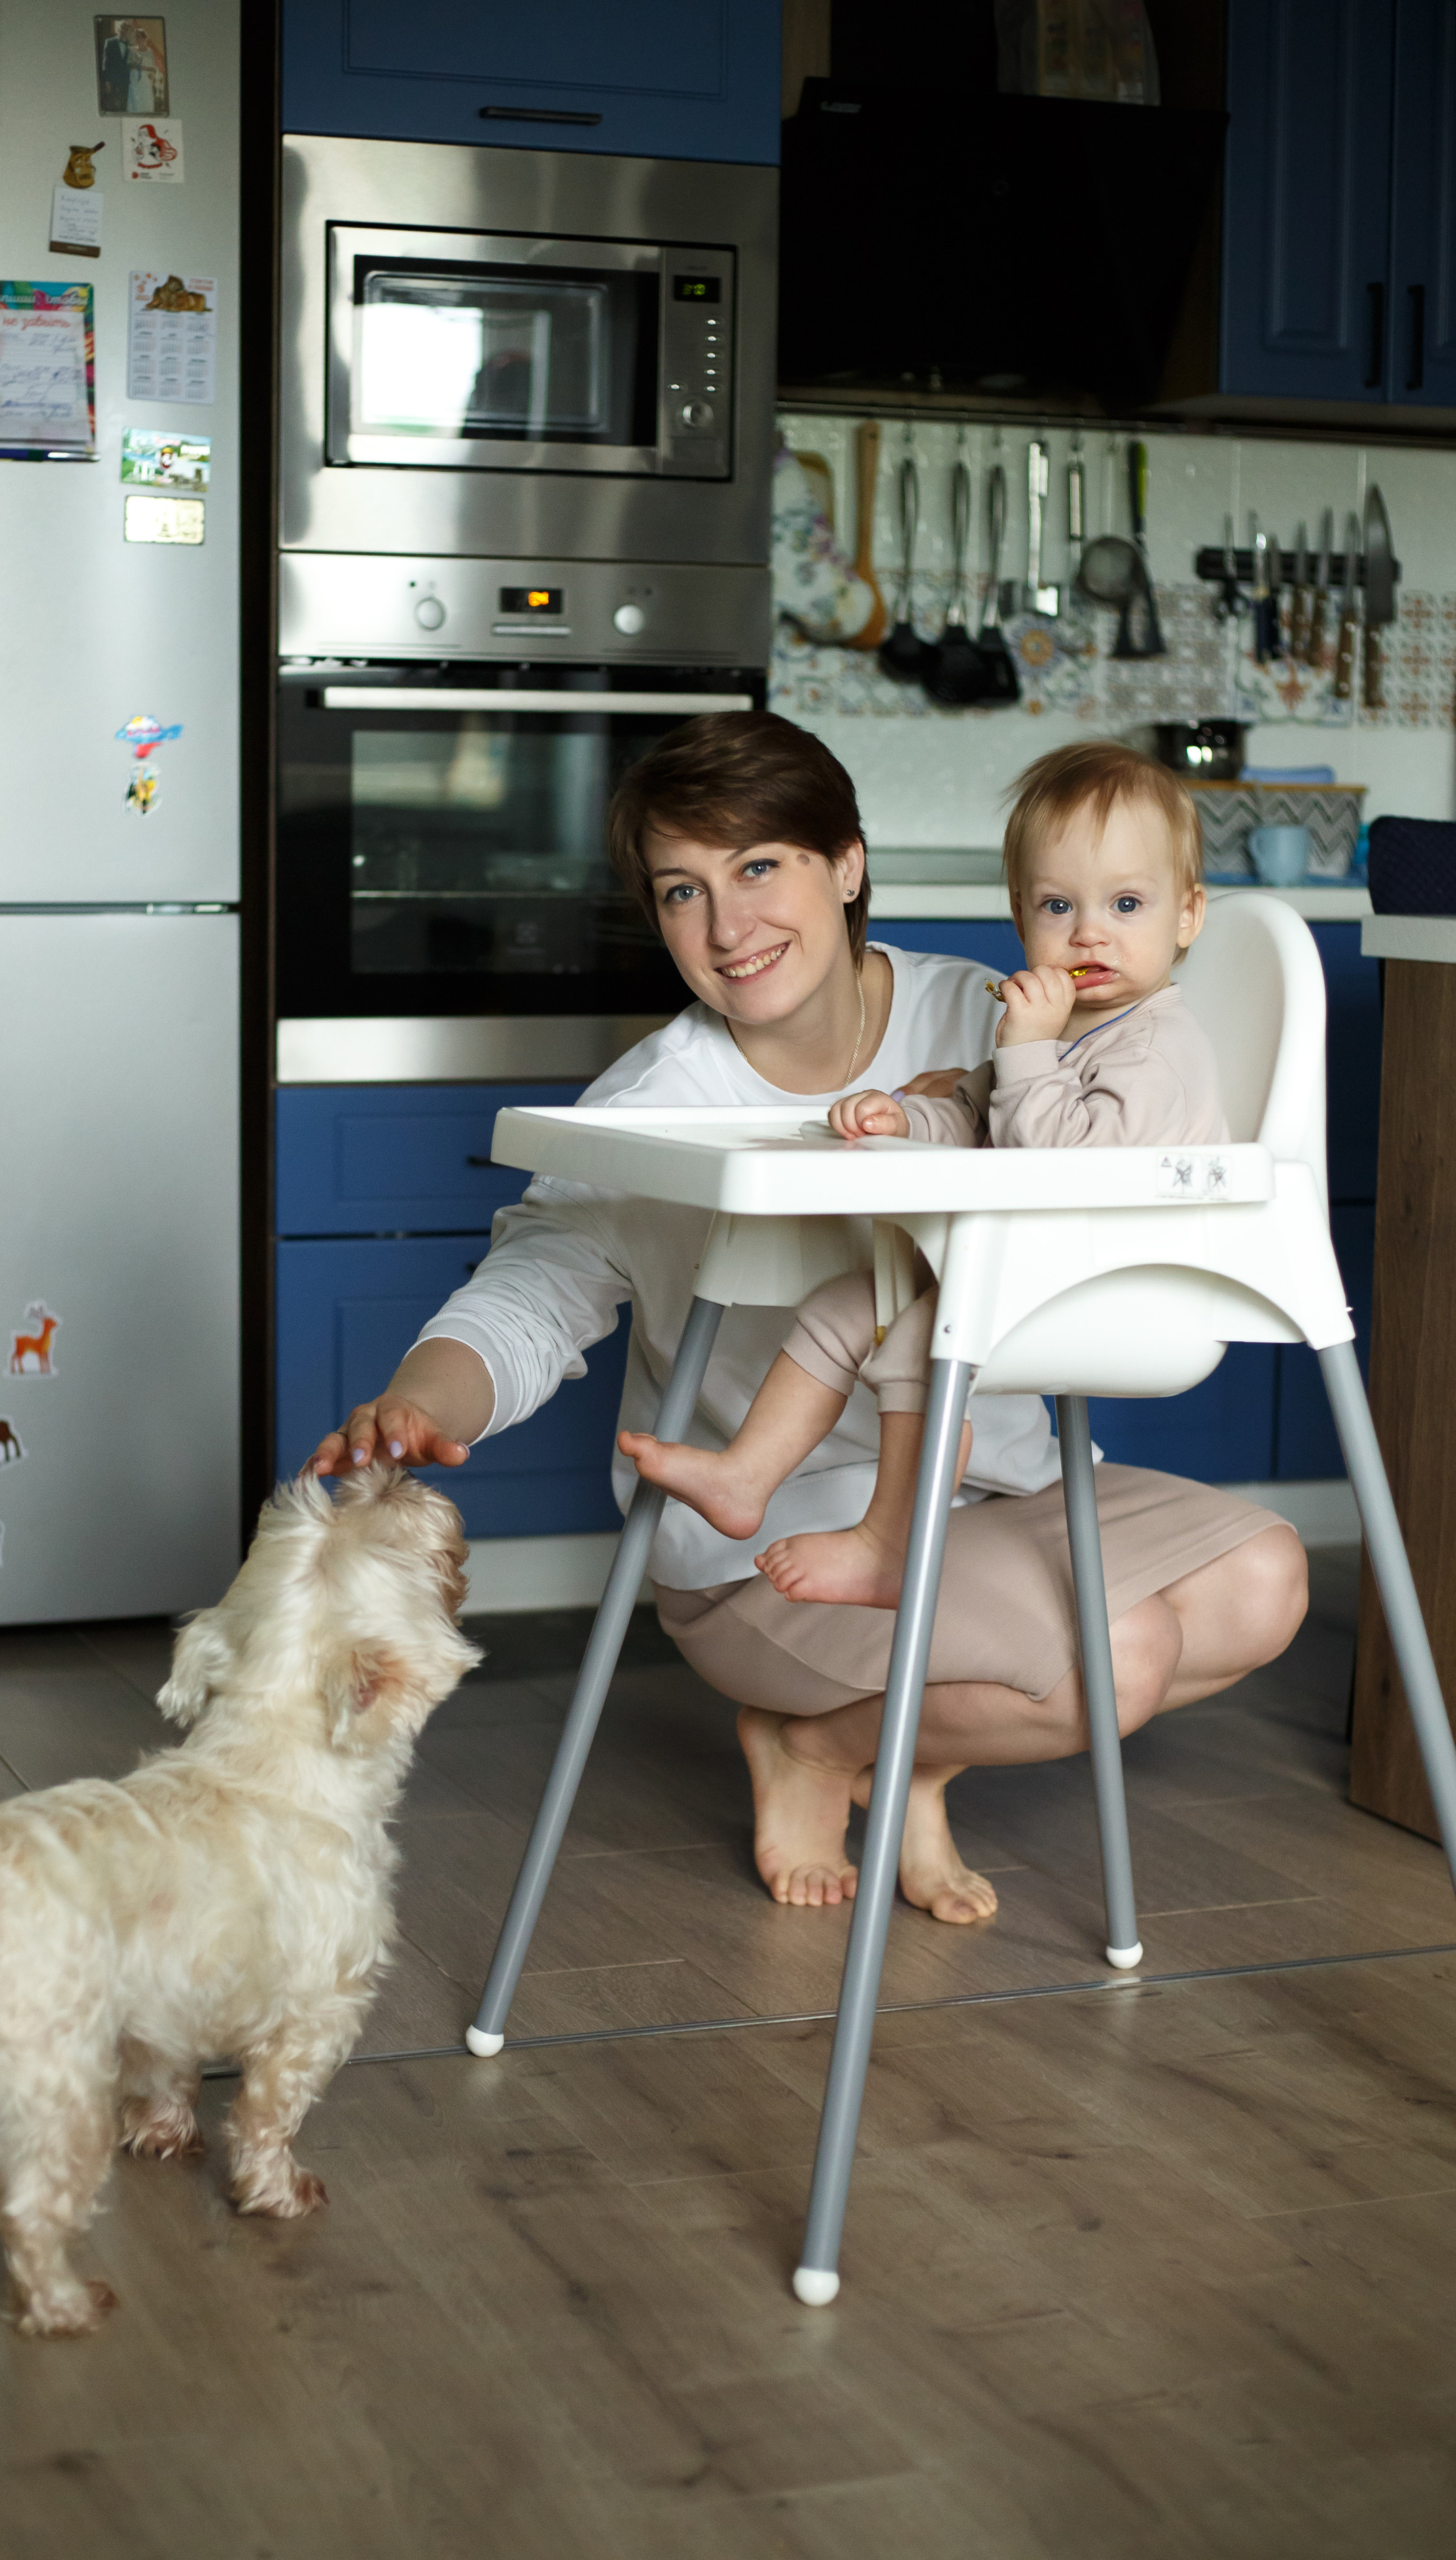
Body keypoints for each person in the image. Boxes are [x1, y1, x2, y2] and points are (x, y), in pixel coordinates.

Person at [307, 716, 1307, 1921]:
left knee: (1268, 1578)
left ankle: (878, 1754)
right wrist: (423, 1402)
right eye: (685, 890)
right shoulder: (652, 1101)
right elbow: (530, 1296)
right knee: (1120, 1657)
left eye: (762, 867)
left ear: (848, 866)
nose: (730, 928)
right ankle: (821, 1750)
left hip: (1006, 1489)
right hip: (774, 1552)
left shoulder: (997, 1017)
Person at [620, 741, 1227, 1611]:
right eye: (1058, 906)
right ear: (1022, 919)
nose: (1089, 932)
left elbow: (1054, 1168)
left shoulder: (1157, 1047)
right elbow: (982, 1120)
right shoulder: (1072, 1028)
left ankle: (886, 1542)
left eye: (1127, 903)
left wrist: (1024, 1051)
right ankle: (746, 1475)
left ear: (1186, 916)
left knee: (914, 1336)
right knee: (842, 1303)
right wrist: (905, 1117)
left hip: (1101, 1281)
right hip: (1017, 1265)